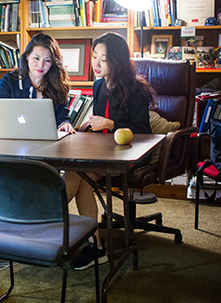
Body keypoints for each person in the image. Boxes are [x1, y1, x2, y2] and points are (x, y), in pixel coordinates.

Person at [66, 32, 156, 271]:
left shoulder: (136, 89)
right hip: (103, 152)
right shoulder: (98, 85)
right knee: (81, 180)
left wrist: (110, 124)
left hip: (128, 154)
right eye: (95, 56)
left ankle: (42, 223)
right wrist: (88, 127)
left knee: (76, 174)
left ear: (116, 60)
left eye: (103, 59)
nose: (96, 64)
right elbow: (99, 122)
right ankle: (95, 245)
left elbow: (143, 131)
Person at [0, 33, 74, 133]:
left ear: (53, 63)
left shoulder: (58, 84)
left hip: (47, 142)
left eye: (47, 60)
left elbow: (63, 117)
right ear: (27, 56)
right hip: (14, 138)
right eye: (36, 58)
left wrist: (65, 124)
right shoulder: (10, 81)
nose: (41, 65)